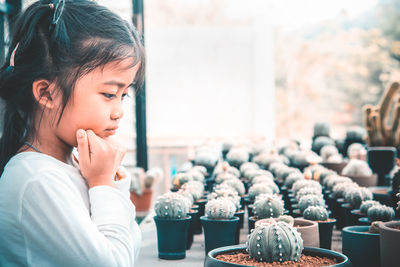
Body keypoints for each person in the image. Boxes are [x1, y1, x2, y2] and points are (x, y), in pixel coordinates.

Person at [0, 0, 145, 266]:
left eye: (124, 95)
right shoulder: (36, 180)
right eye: (109, 94)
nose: (119, 112)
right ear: (47, 93)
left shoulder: (74, 166)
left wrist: (108, 181)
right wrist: (103, 185)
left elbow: (128, 247)